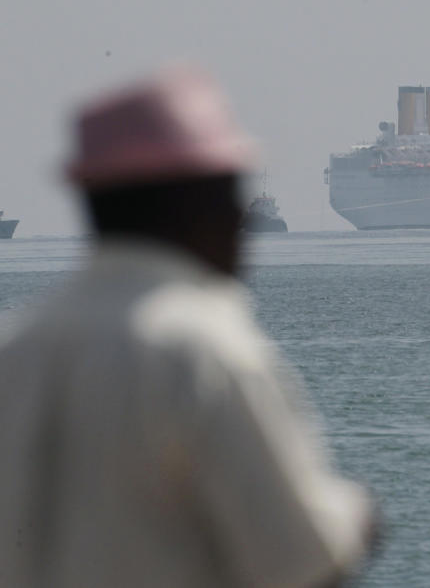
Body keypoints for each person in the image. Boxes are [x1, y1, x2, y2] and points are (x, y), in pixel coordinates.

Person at [0, 68, 374, 587]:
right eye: (226, 193)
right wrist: (356, 517)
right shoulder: (201, 350)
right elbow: (303, 558)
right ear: (192, 204)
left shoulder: (16, 348)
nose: (237, 217)